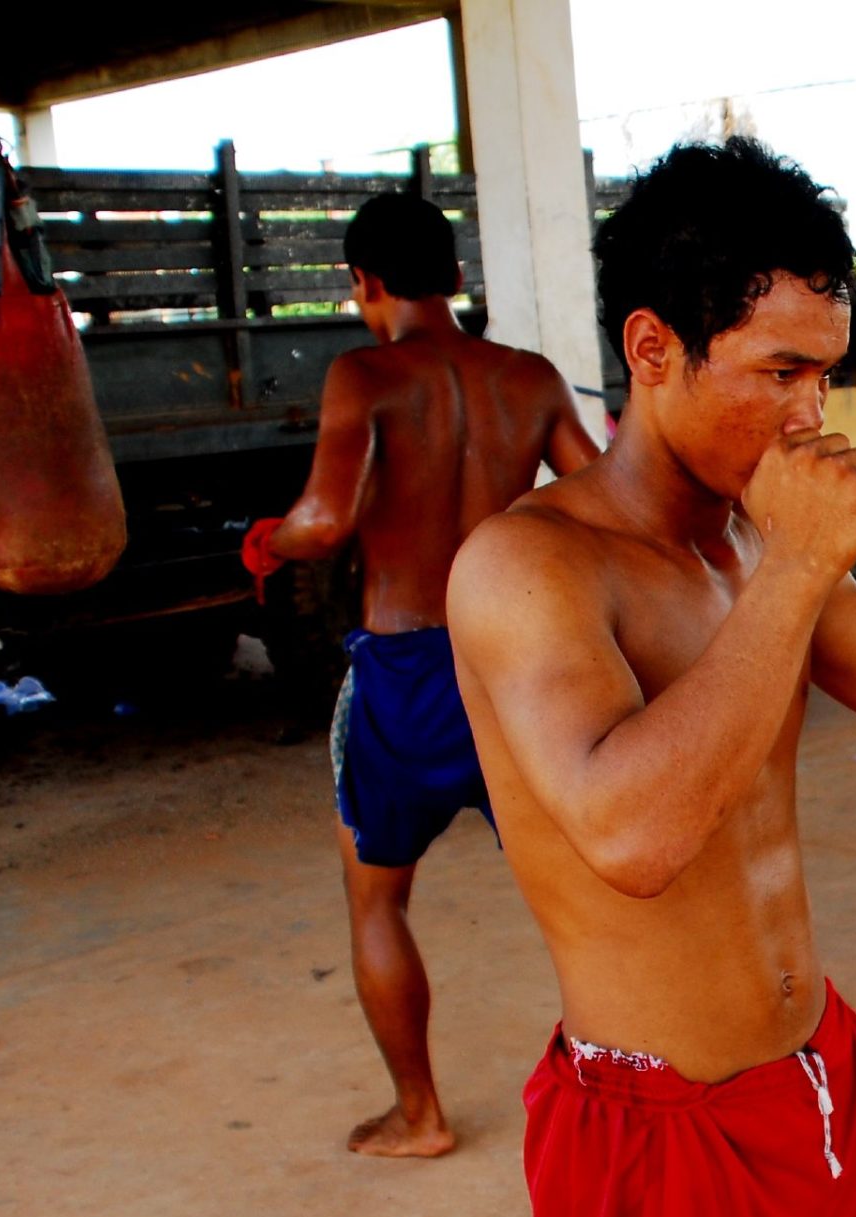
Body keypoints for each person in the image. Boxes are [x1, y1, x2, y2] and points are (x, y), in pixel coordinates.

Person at [448, 138, 856, 1217]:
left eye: (825, 377)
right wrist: (799, 570)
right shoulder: (529, 567)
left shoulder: (756, 536)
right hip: (657, 1135)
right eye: (777, 372)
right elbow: (635, 838)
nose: (811, 415)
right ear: (654, 349)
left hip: (819, 1077)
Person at [241, 193, 599, 1157]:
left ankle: (420, 1113)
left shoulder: (366, 375)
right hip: (514, 658)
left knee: (377, 899)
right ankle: (632, 1083)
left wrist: (269, 542)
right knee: (583, 891)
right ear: (452, 273)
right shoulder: (529, 377)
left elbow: (325, 519)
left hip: (405, 670)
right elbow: (598, 495)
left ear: (365, 282)